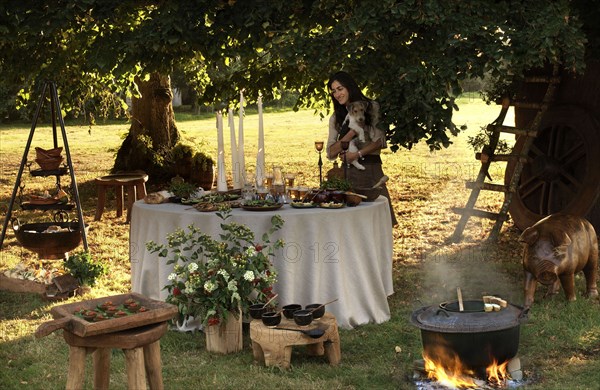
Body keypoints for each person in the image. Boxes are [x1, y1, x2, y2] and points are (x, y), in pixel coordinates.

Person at [326, 71, 398, 226]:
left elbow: (380, 141)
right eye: (333, 91)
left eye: (340, 89)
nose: (337, 94)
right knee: (350, 226)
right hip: (346, 177)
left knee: (377, 223)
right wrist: (352, 132)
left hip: (370, 171)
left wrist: (356, 154)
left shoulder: (371, 107)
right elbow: (331, 153)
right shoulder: (336, 117)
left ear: (349, 87)